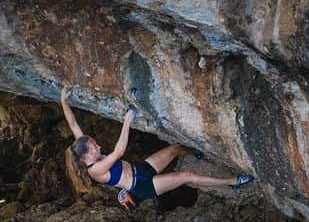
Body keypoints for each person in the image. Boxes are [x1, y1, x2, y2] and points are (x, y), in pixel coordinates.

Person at [60, 85, 254, 211]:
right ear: (86, 157)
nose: (99, 146)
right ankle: (232, 181)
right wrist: (127, 121)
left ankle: (196, 152)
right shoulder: (96, 170)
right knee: (187, 176)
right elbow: (119, 152)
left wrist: (63, 101)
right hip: (143, 186)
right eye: (94, 147)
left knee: (175, 148)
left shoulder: (83, 148)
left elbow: (74, 125)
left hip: (140, 168)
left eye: (95, 143)